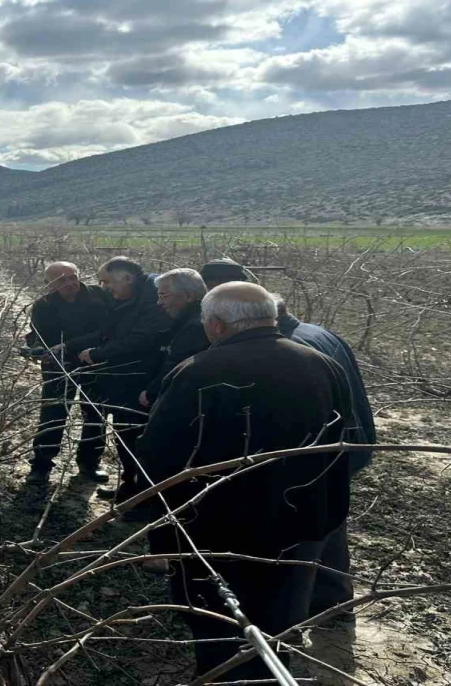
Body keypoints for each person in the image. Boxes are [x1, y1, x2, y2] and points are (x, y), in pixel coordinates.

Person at [136, 282, 353, 680]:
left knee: (218, 621)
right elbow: (341, 445)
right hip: (299, 524)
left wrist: (161, 533)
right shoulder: (322, 364)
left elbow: (159, 455)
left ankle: (222, 676)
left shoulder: (198, 370)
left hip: (216, 528)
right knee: (278, 621)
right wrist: (327, 517)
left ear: (217, 325)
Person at [274, 293, 377, 618]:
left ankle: (304, 609)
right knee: (331, 520)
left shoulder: (292, 349)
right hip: (346, 442)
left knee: (307, 530)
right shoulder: (319, 332)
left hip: (321, 449)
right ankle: (334, 600)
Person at [62, 256, 172, 502]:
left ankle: (138, 494)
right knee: (124, 434)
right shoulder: (127, 298)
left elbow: (139, 340)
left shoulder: (152, 301)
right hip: (127, 376)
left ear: (127, 278)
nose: (104, 287)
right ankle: (129, 487)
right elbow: (108, 332)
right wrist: (70, 346)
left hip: (142, 380)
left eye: (107, 281)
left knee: (134, 436)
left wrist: (99, 354)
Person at [24, 262, 110, 485]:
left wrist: (70, 346)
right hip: (59, 365)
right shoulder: (43, 305)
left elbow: (107, 331)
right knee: (53, 413)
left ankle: (90, 463)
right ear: (49, 285)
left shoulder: (99, 296)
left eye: (73, 277)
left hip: (94, 361)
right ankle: (41, 465)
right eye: (62, 280)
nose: (70, 283)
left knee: (95, 413)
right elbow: (38, 335)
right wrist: (37, 350)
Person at [139, 268, 209, 409]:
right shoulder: (183, 319)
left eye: (163, 296)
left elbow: (178, 364)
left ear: (189, 296)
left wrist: (152, 391)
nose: (159, 302)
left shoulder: (197, 326)